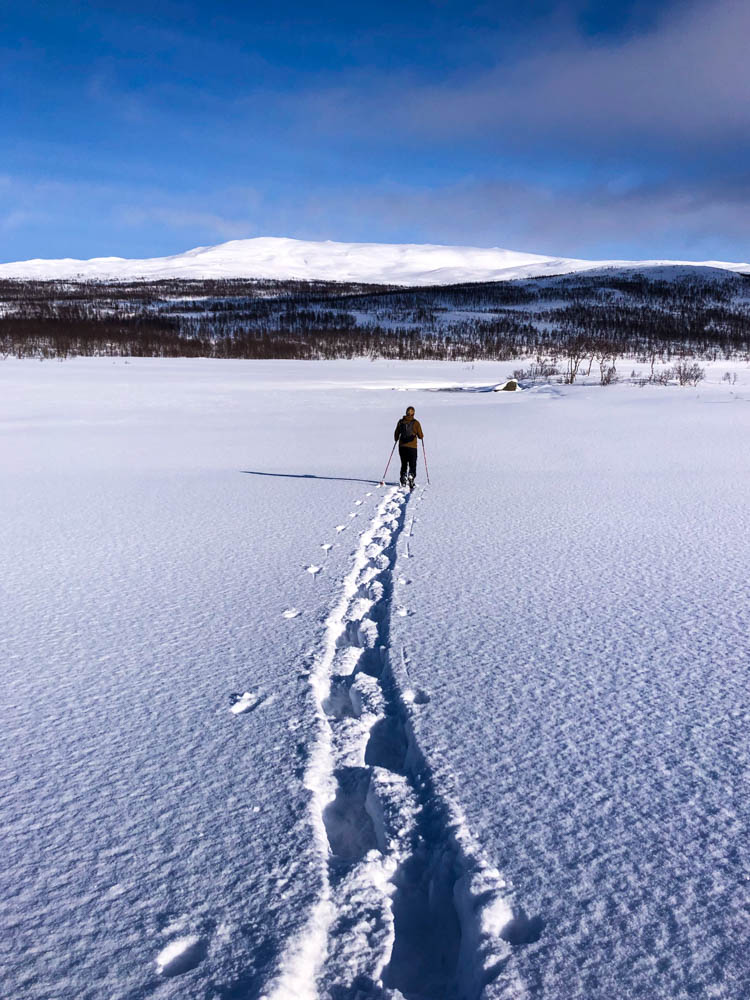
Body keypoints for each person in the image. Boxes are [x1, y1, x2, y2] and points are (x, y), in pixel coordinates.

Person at [394, 406, 424, 488]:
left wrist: (396, 439)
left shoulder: (401, 422)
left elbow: (396, 433)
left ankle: (403, 477)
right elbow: (420, 436)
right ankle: (411, 475)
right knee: (412, 463)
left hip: (402, 446)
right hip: (412, 447)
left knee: (404, 463)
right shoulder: (416, 423)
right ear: (413, 413)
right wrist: (421, 436)